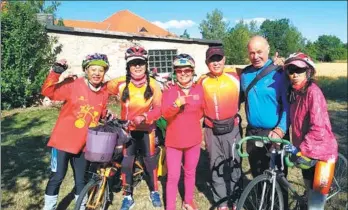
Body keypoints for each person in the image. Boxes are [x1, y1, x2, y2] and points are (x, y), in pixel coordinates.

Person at [41, 53, 111, 210]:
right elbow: (48, 92)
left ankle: (81, 206)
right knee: (57, 177)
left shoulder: (104, 93)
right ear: (86, 70)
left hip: (83, 145)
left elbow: (101, 113)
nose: (97, 73)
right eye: (93, 69)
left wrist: (108, 116)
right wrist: (56, 71)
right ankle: (49, 207)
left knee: (81, 180)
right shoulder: (73, 85)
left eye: (100, 70)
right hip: (61, 142)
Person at [107, 46, 163, 210]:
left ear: (146, 65)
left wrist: (145, 117)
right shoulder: (119, 84)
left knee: (150, 163)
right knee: (127, 163)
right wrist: (105, 110)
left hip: (147, 131)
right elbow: (101, 92)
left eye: (140, 63)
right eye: (133, 64)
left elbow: (159, 110)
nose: (137, 67)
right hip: (127, 131)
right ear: (128, 67)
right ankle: (128, 196)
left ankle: (154, 191)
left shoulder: (153, 85)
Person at [283, 52, 338, 210]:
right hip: (306, 154)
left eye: (299, 70)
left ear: (308, 72)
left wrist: (301, 149)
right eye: (290, 70)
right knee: (308, 191)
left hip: (323, 155)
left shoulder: (313, 92)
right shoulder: (295, 92)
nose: (294, 74)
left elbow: (318, 128)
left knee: (315, 205)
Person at [197, 46, 242, 210]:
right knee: (215, 165)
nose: (216, 63)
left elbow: (255, 72)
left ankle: (235, 199)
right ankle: (222, 202)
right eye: (212, 60)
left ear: (224, 60)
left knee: (234, 164)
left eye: (219, 59)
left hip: (232, 128)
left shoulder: (235, 77)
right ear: (207, 62)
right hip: (211, 129)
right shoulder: (201, 81)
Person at [161, 54, 204, 210]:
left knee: (190, 172)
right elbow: (165, 114)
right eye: (179, 71)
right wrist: (176, 104)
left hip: (193, 140)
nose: (184, 73)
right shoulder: (169, 90)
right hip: (174, 141)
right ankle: (170, 206)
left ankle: (188, 200)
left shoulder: (199, 89)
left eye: (187, 70)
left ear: (193, 71)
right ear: (175, 72)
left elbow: (202, 111)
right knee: (173, 176)